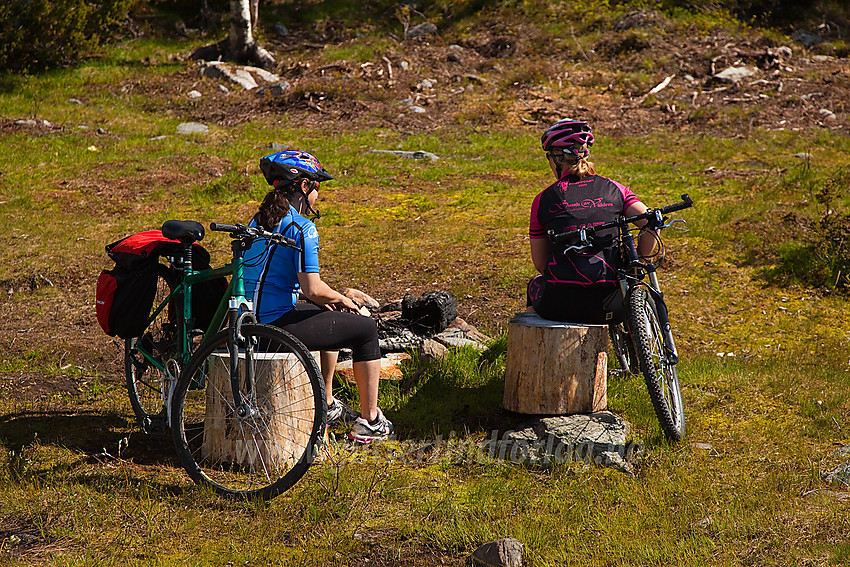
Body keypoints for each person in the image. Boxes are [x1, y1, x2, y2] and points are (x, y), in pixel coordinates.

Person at [243, 149, 393, 444]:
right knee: (365, 330)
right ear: (303, 186)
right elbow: (312, 289)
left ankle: (324, 402)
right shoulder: (302, 227)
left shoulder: (257, 220)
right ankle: (371, 421)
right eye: (317, 187)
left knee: (329, 318)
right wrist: (344, 299)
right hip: (276, 327)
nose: (318, 195)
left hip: (250, 321)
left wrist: (330, 299)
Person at [527, 119, 656, 323]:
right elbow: (650, 222)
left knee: (534, 285)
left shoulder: (542, 200)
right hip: (613, 305)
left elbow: (541, 263)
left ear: (558, 158)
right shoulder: (616, 189)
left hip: (559, 306)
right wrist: (638, 260)